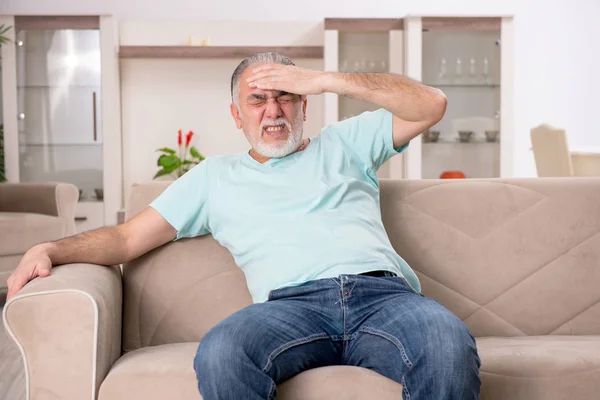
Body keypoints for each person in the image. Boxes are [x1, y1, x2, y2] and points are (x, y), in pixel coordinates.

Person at [7, 52, 481, 399]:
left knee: (446, 341)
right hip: (290, 309)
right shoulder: (214, 177)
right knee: (221, 351)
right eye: (257, 100)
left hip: (384, 298)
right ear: (237, 115)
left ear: (305, 105)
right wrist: (53, 248)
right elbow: (127, 237)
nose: (273, 111)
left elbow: (430, 104)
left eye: (285, 97)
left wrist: (323, 78)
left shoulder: (347, 143)